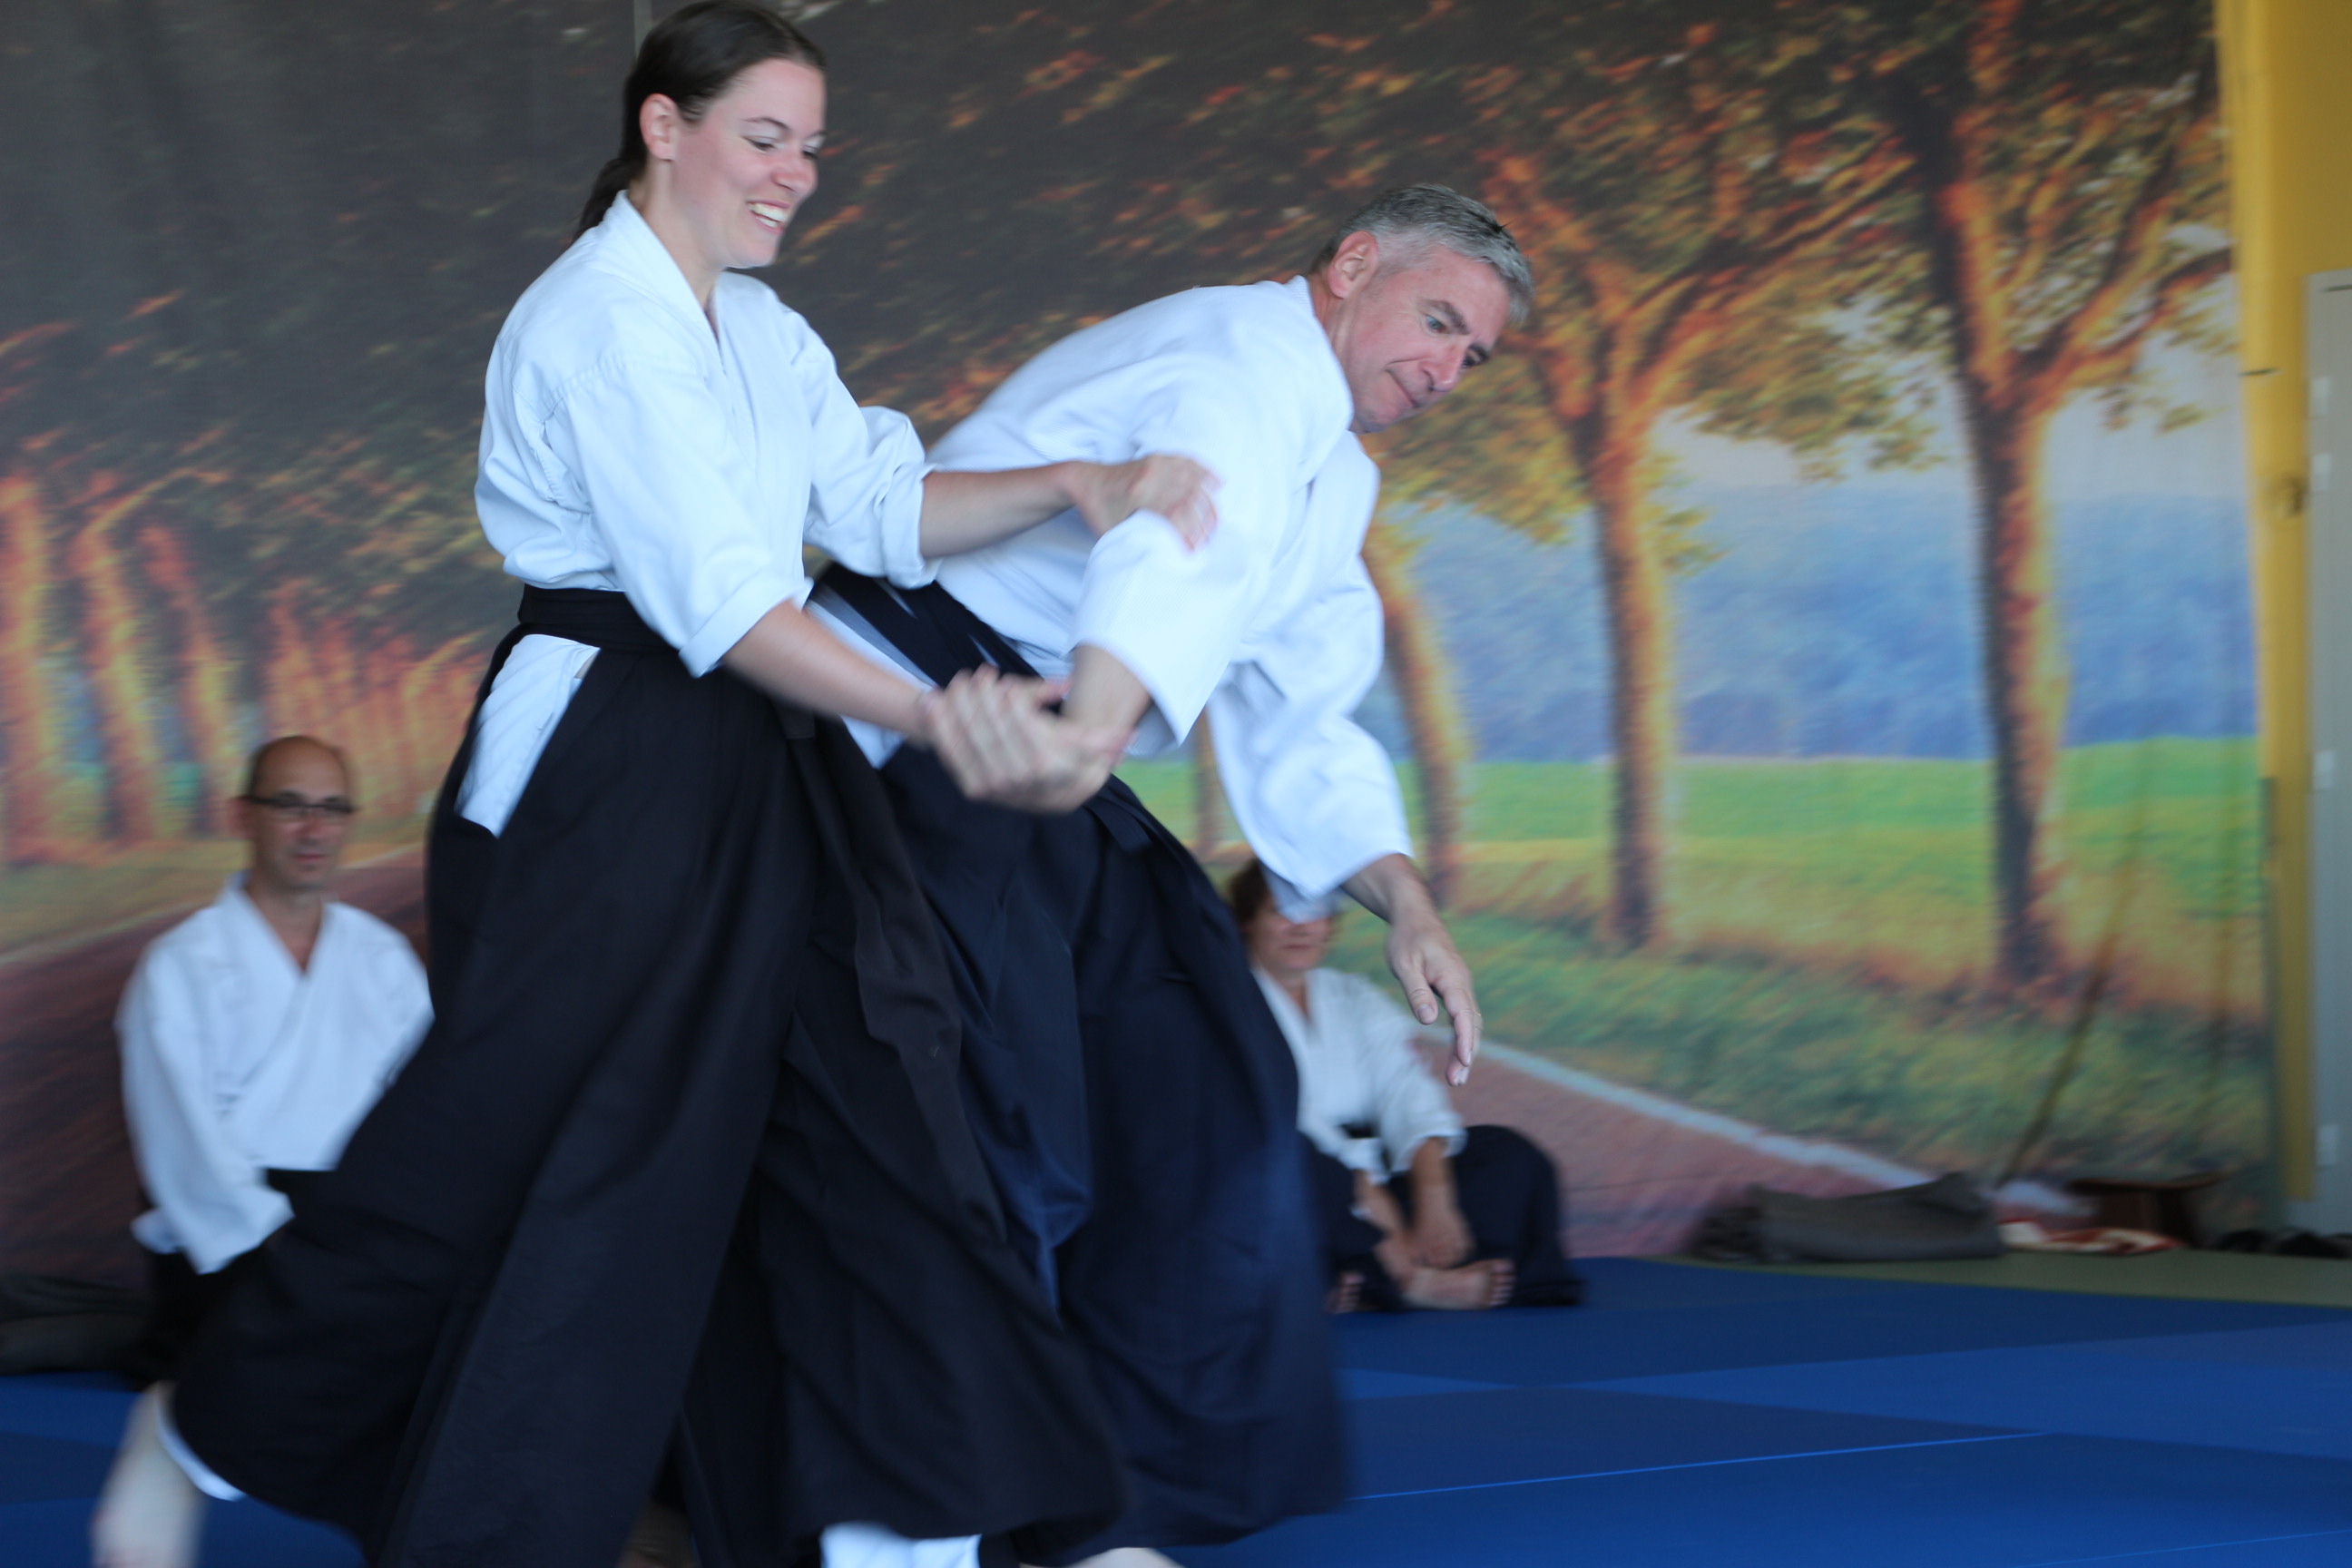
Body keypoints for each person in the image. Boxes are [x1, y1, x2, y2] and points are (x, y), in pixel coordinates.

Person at [90, 6, 1223, 1568]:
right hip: (601, 773)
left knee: (881, 1120)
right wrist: (937, 715)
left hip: (761, 766)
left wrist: (1081, 485)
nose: (795, 173)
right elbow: (728, 608)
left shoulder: (759, 326)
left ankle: (964, 1527)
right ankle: (203, 1425)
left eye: (812, 146)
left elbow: (880, 505)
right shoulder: (598, 320)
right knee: (507, 1152)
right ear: (664, 126)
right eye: (765, 137)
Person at [809, 182, 1531, 1563]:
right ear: (1352, 264)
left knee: (1209, 1074)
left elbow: (1300, 711)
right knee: (988, 1124)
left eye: (1474, 354)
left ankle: (1092, 1505)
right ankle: (921, 1529)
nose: (1448, 368)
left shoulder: (1334, 472)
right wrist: (1094, 724)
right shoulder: (1238, 360)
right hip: (914, 726)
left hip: (1047, 753)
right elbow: (1168, 549)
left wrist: (1407, 901)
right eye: (1438, 320)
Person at [109, 737, 431, 1394]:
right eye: (290, 805)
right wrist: (284, 1245)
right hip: (233, 1234)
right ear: (242, 816)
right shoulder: (180, 964)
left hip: (357, 1224)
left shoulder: (383, 957)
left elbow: (427, 1110)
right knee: (261, 1388)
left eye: (332, 809)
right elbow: (182, 1140)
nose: (314, 830)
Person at [1228, 858, 1582, 1314]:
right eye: (1281, 911)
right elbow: (1280, 1117)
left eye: (1315, 913)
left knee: (1511, 1157)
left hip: (1376, 1180)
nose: (1301, 927)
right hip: (1309, 1184)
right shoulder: (1228, 1004)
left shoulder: (1353, 997)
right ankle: (1408, 1282)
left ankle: (1365, 1277)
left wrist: (1435, 1197)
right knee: (1294, 1171)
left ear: (1330, 925)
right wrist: (1370, 1203)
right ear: (1247, 921)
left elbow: (1406, 1090)